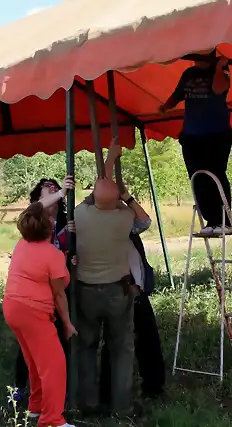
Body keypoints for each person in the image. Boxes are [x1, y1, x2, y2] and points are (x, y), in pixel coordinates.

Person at [72, 143, 150, 418]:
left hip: (85, 292)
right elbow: (146, 221)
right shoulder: (124, 218)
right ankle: (122, 406)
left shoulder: (80, 215)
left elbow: (99, 191)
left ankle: (88, 402)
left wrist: (109, 158)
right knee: (121, 349)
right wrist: (126, 197)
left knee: (86, 347)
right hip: (117, 292)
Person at [3, 200, 77, 427]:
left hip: (12, 307)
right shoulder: (52, 255)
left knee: (34, 361)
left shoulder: (21, 245)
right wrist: (67, 323)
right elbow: (59, 295)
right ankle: (53, 420)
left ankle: (36, 407)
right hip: (33, 312)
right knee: (54, 366)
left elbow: (34, 207)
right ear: (49, 227)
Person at [12, 176, 74, 404]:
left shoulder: (68, 220)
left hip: (59, 285)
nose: (53, 190)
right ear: (38, 199)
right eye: (46, 190)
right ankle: (18, 387)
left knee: (59, 339)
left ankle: (59, 391)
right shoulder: (33, 219)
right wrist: (59, 193)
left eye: (55, 187)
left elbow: (72, 253)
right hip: (36, 289)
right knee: (28, 345)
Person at [158, 50, 232, 236]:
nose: (195, 60)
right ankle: (210, 220)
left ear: (211, 54)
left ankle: (225, 221)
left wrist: (218, 67)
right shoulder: (188, 74)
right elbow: (178, 94)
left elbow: (218, 89)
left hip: (216, 134)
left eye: (200, 56)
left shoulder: (221, 71)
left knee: (215, 176)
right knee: (198, 178)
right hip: (191, 136)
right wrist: (166, 106)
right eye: (194, 56)